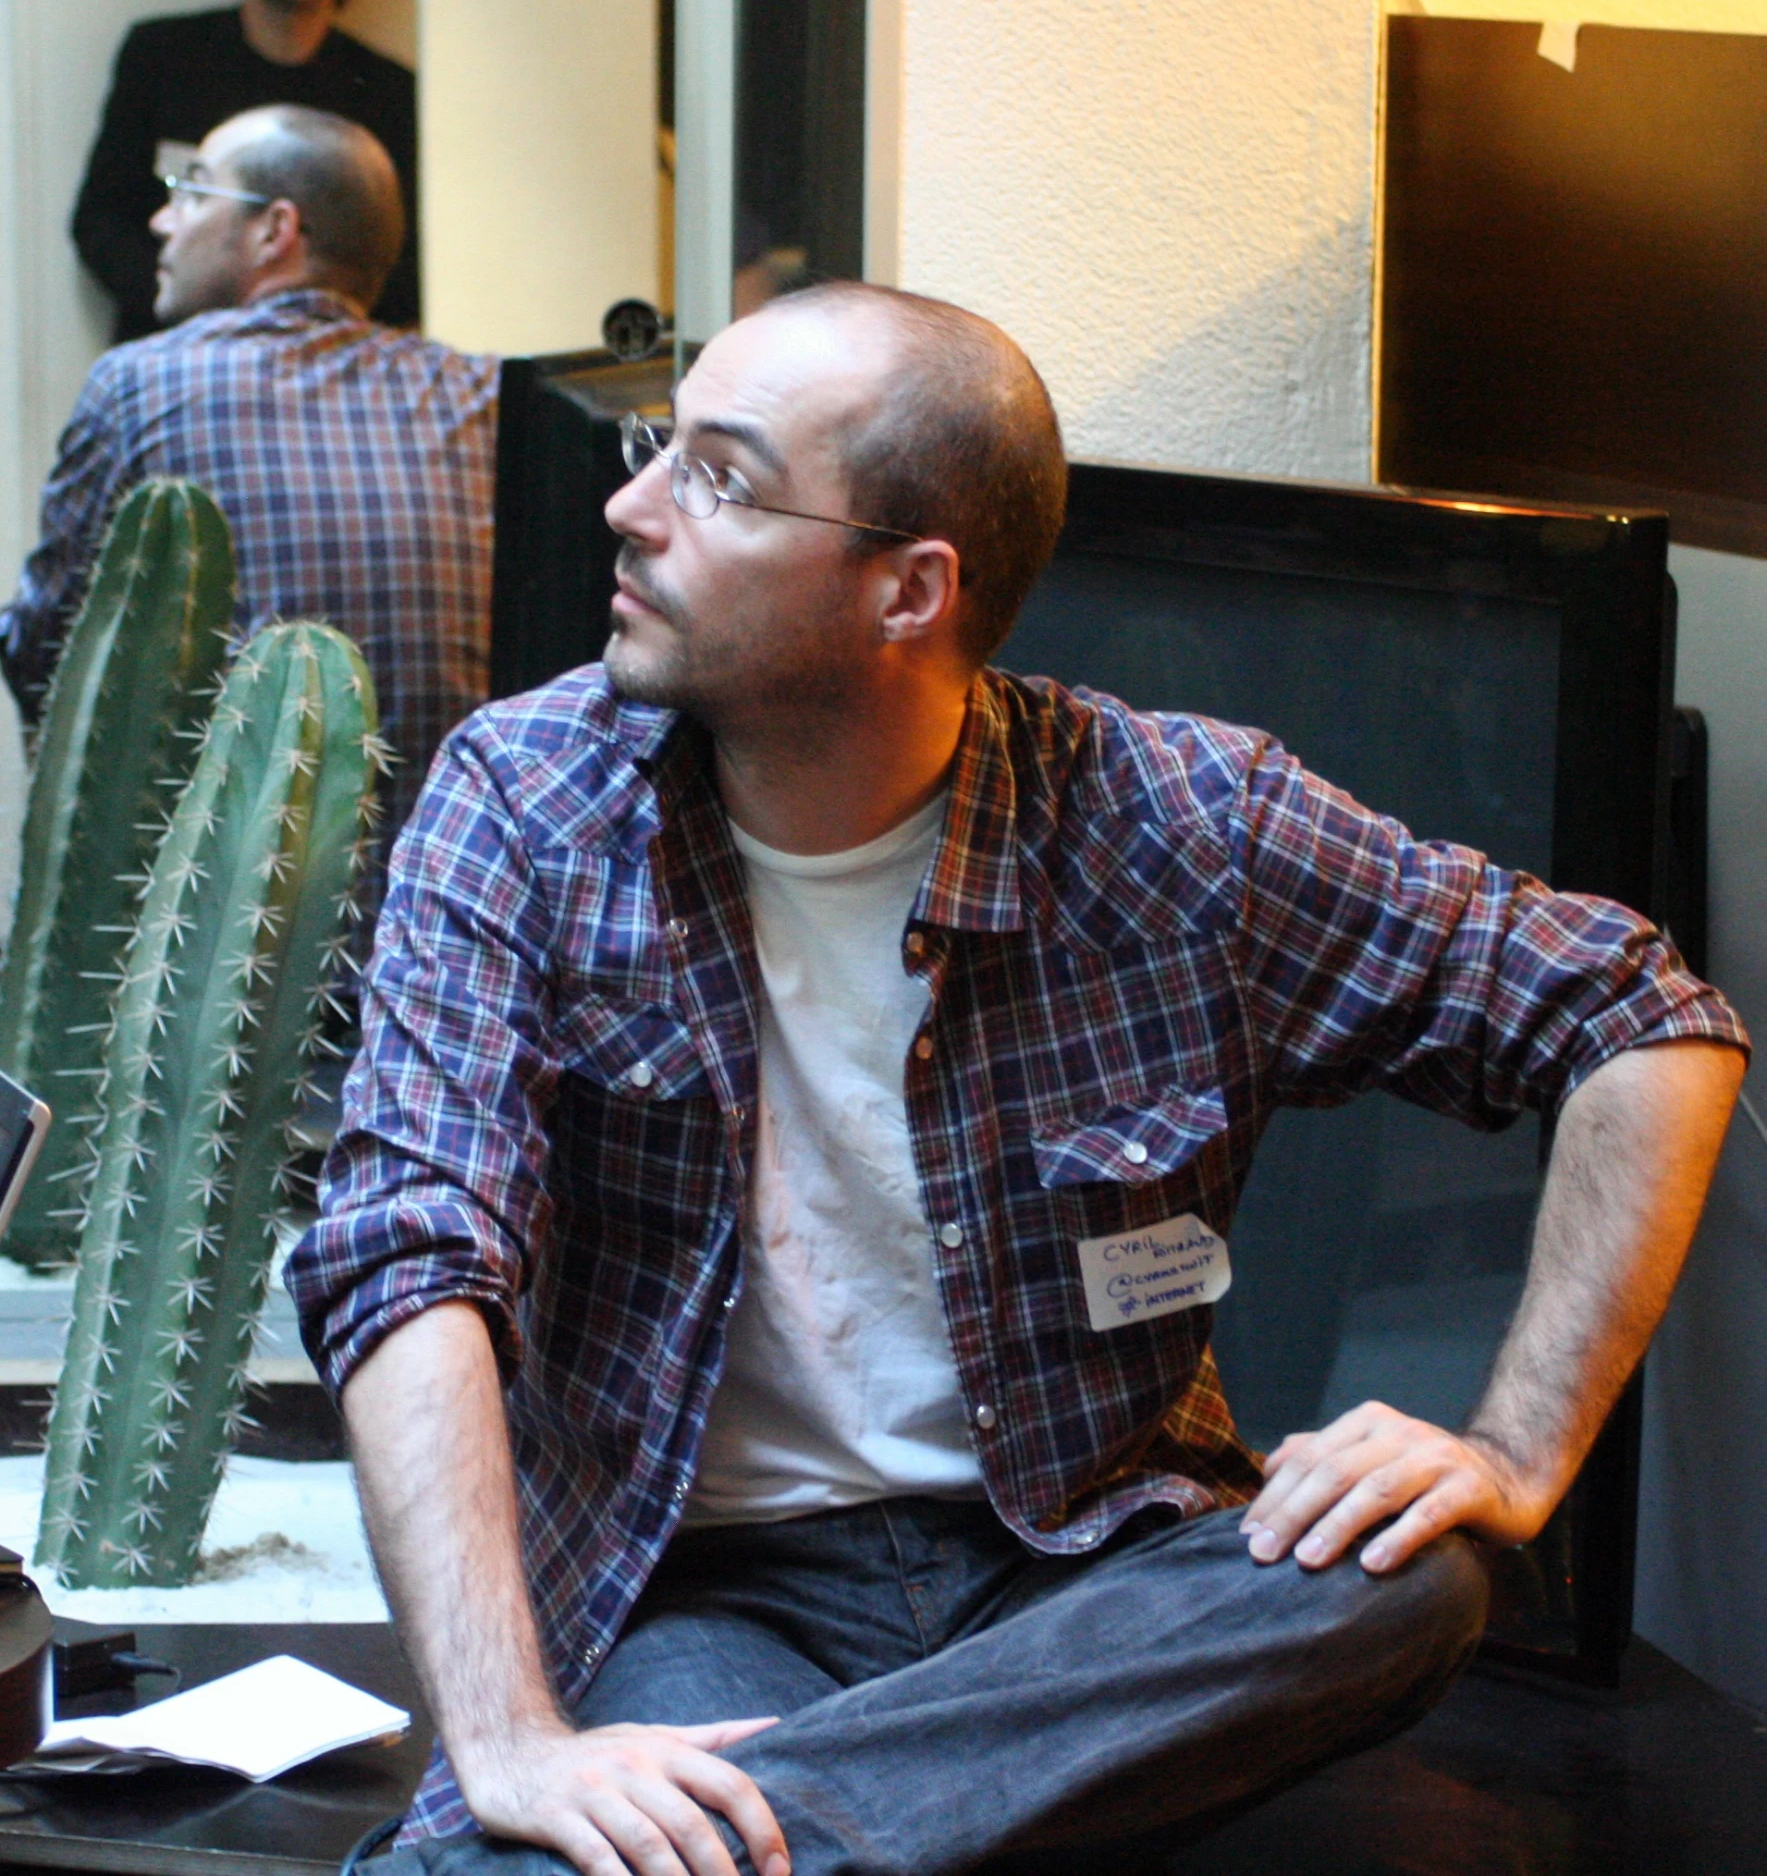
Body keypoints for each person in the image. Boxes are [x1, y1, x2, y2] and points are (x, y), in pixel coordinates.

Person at [289, 283, 1746, 1876]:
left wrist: (1515, 1450)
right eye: (662, 447)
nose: (630, 509)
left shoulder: (1177, 820)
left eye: (717, 475)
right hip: (706, 1589)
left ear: (908, 590)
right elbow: (411, 1246)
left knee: (1417, 1574)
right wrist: (507, 1741)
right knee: (692, 1782)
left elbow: (1635, 1014)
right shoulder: (523, 801)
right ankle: (906, 1815)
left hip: (1081, 1573)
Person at [2, 104, 494, 879]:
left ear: (275, 231)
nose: (163, 221)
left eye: (193, 191)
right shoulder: (480, 394)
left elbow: (52, 660)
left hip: (229, 948)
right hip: (452, 917)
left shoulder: (138, 384)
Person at [72, 0, 418, 341]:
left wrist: (291, 334)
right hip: (170, 352)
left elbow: (401, 260)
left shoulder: (388, 93)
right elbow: (101, 221)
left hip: (321, 367)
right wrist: (198, 308)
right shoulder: (162, 55)